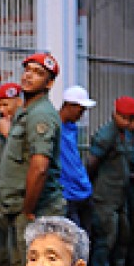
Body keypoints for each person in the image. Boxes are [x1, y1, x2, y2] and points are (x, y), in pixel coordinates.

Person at [0, 54, 66, 266]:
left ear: (49, 83)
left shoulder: (40, 114)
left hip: (35, 209)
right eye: (27, 70)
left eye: (37, 72)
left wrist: (28, 210)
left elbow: (40, 166)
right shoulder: (26, 112)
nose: (28, 75)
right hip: (20, 209)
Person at [88, 96, 134, 266]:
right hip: (105, 196)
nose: (132, 123)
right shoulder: (106, 135)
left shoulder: (126, 135)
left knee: (123, 235)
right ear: (116, 115)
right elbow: (92, 163)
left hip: (121, 195)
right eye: (128, 119)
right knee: (106, 236)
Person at [58, 85, 96, 232]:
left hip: (82, 191)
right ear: (69, 106)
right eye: (80, 110)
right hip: (67, 194)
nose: (82, 114)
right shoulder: (55, 127)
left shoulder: (71, 128)